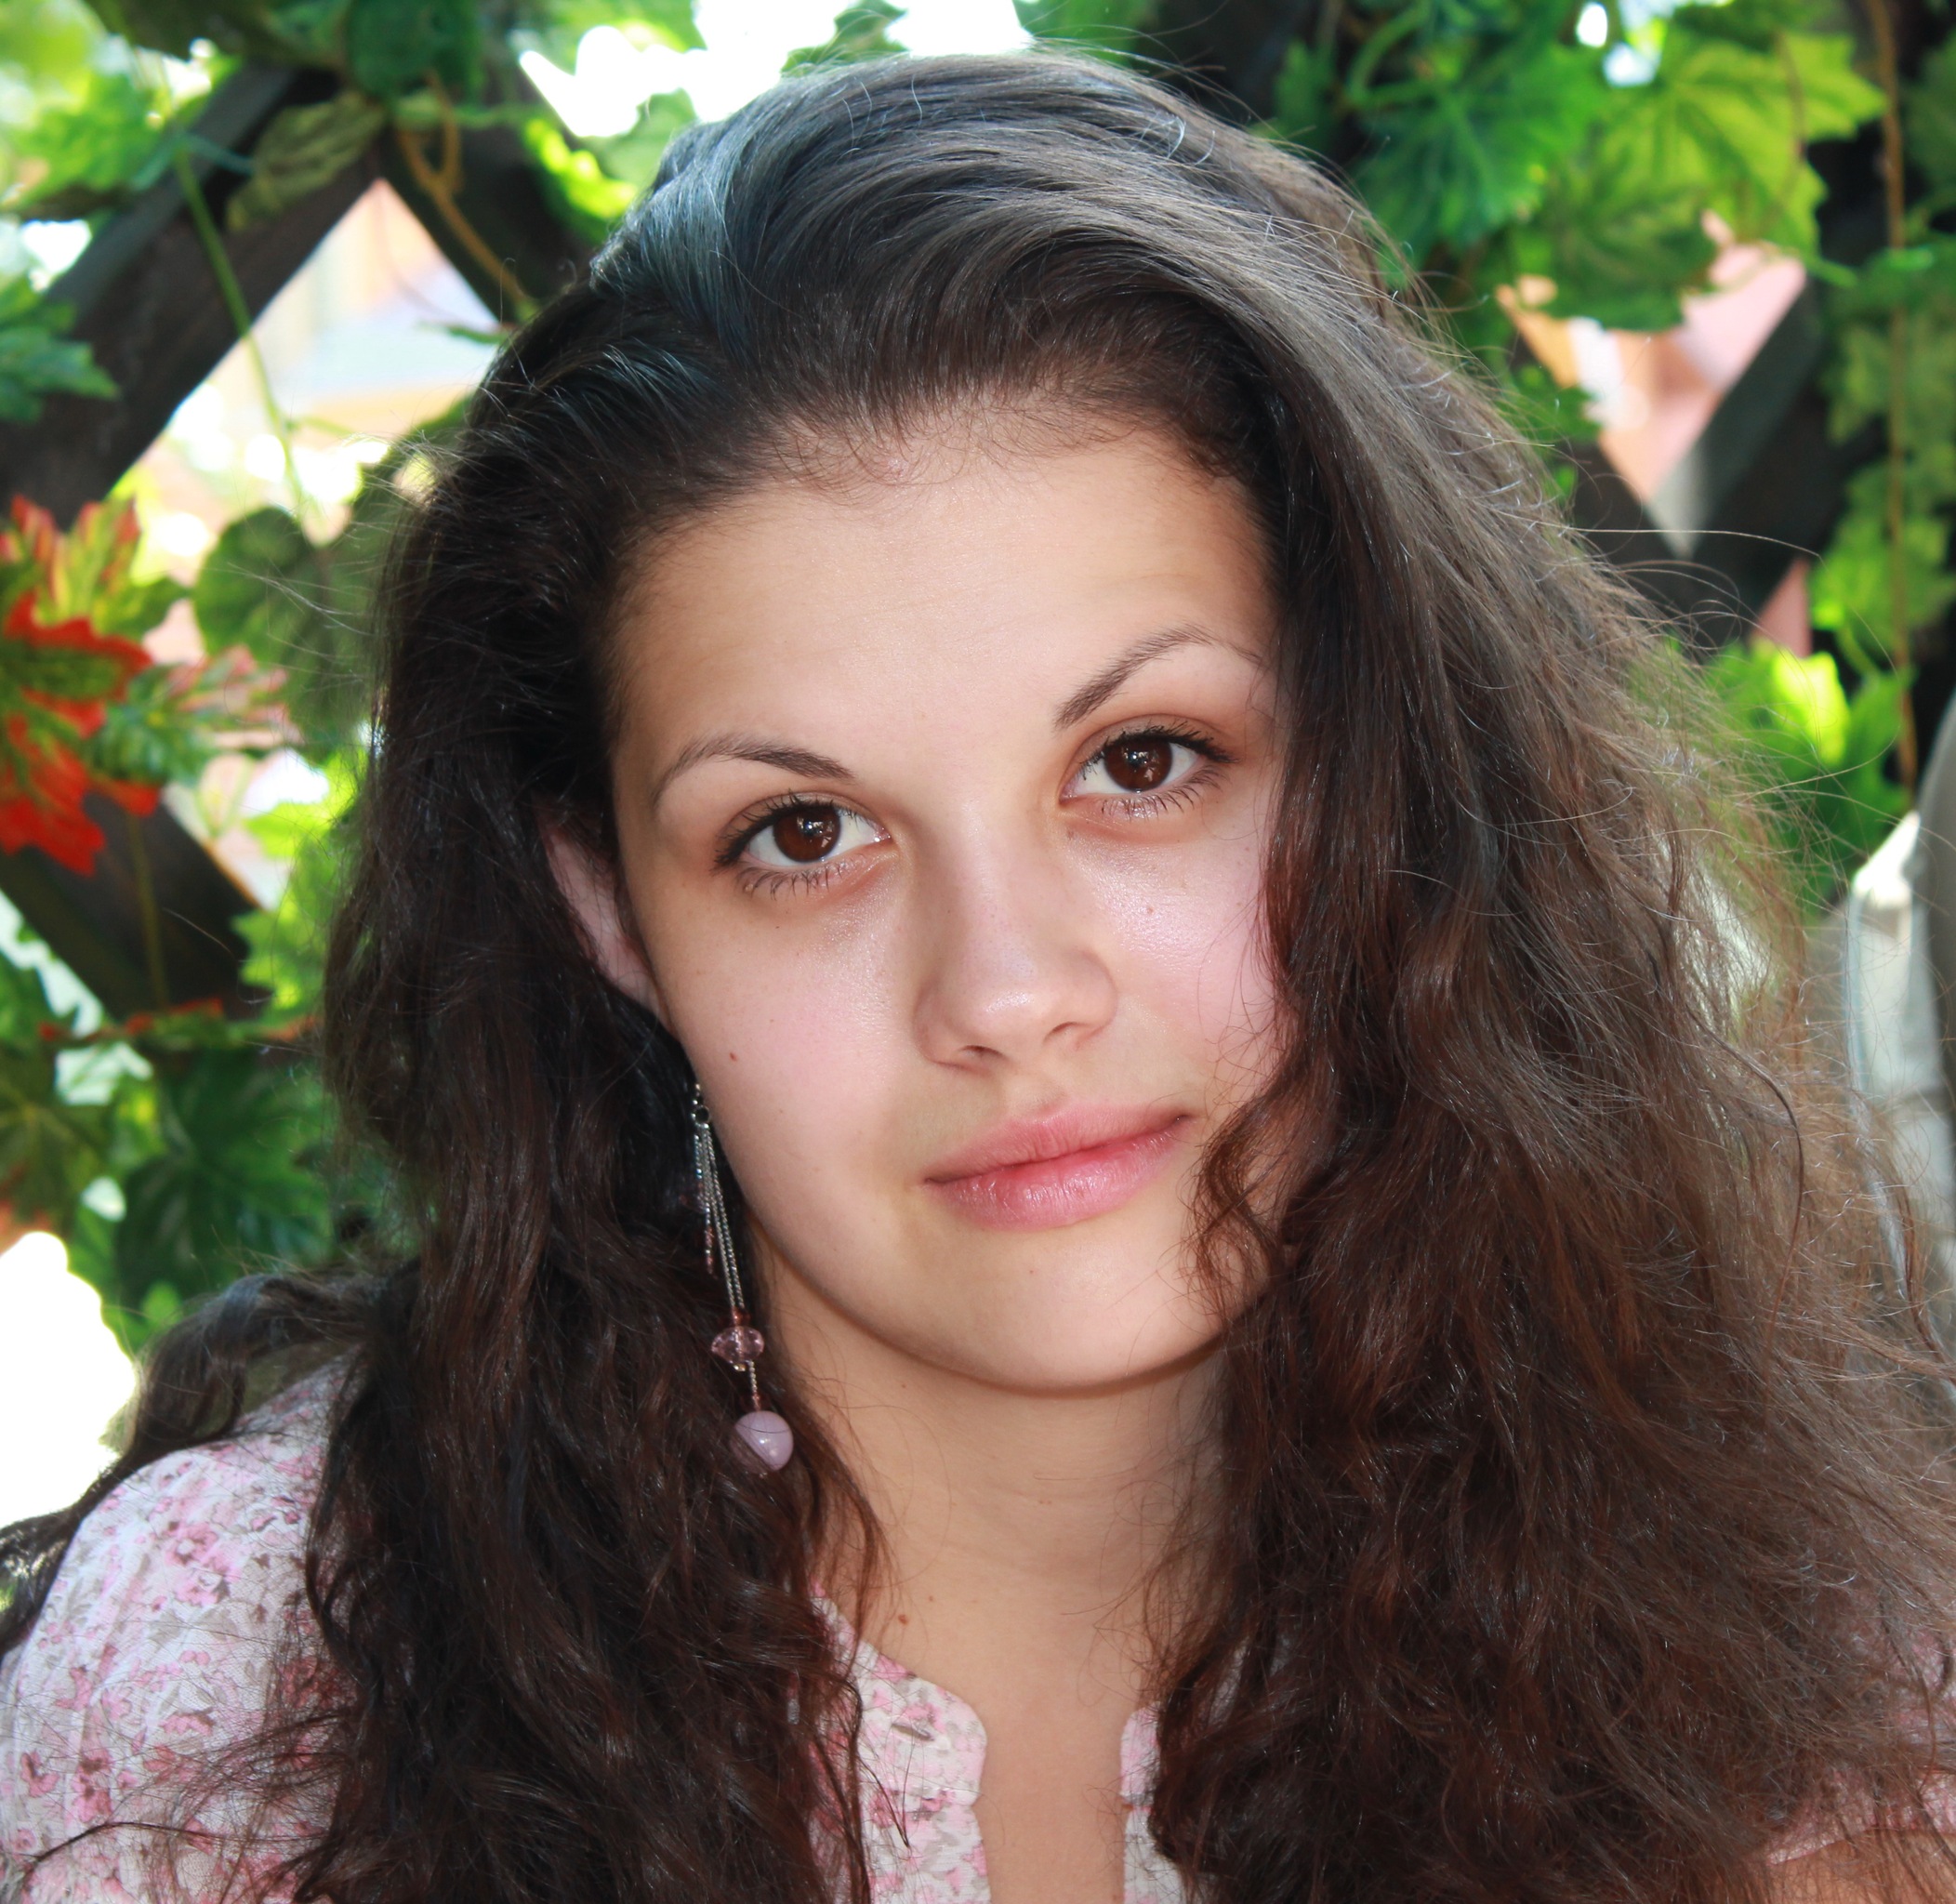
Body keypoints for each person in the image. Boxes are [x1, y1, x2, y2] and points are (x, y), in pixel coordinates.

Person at [2, 49, 1953, 1904]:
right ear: (609, 912)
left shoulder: (1809, 1696)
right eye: (802, 834)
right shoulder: (244, 1710)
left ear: (1394, 777)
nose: (1006, 992)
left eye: (1142, 763)